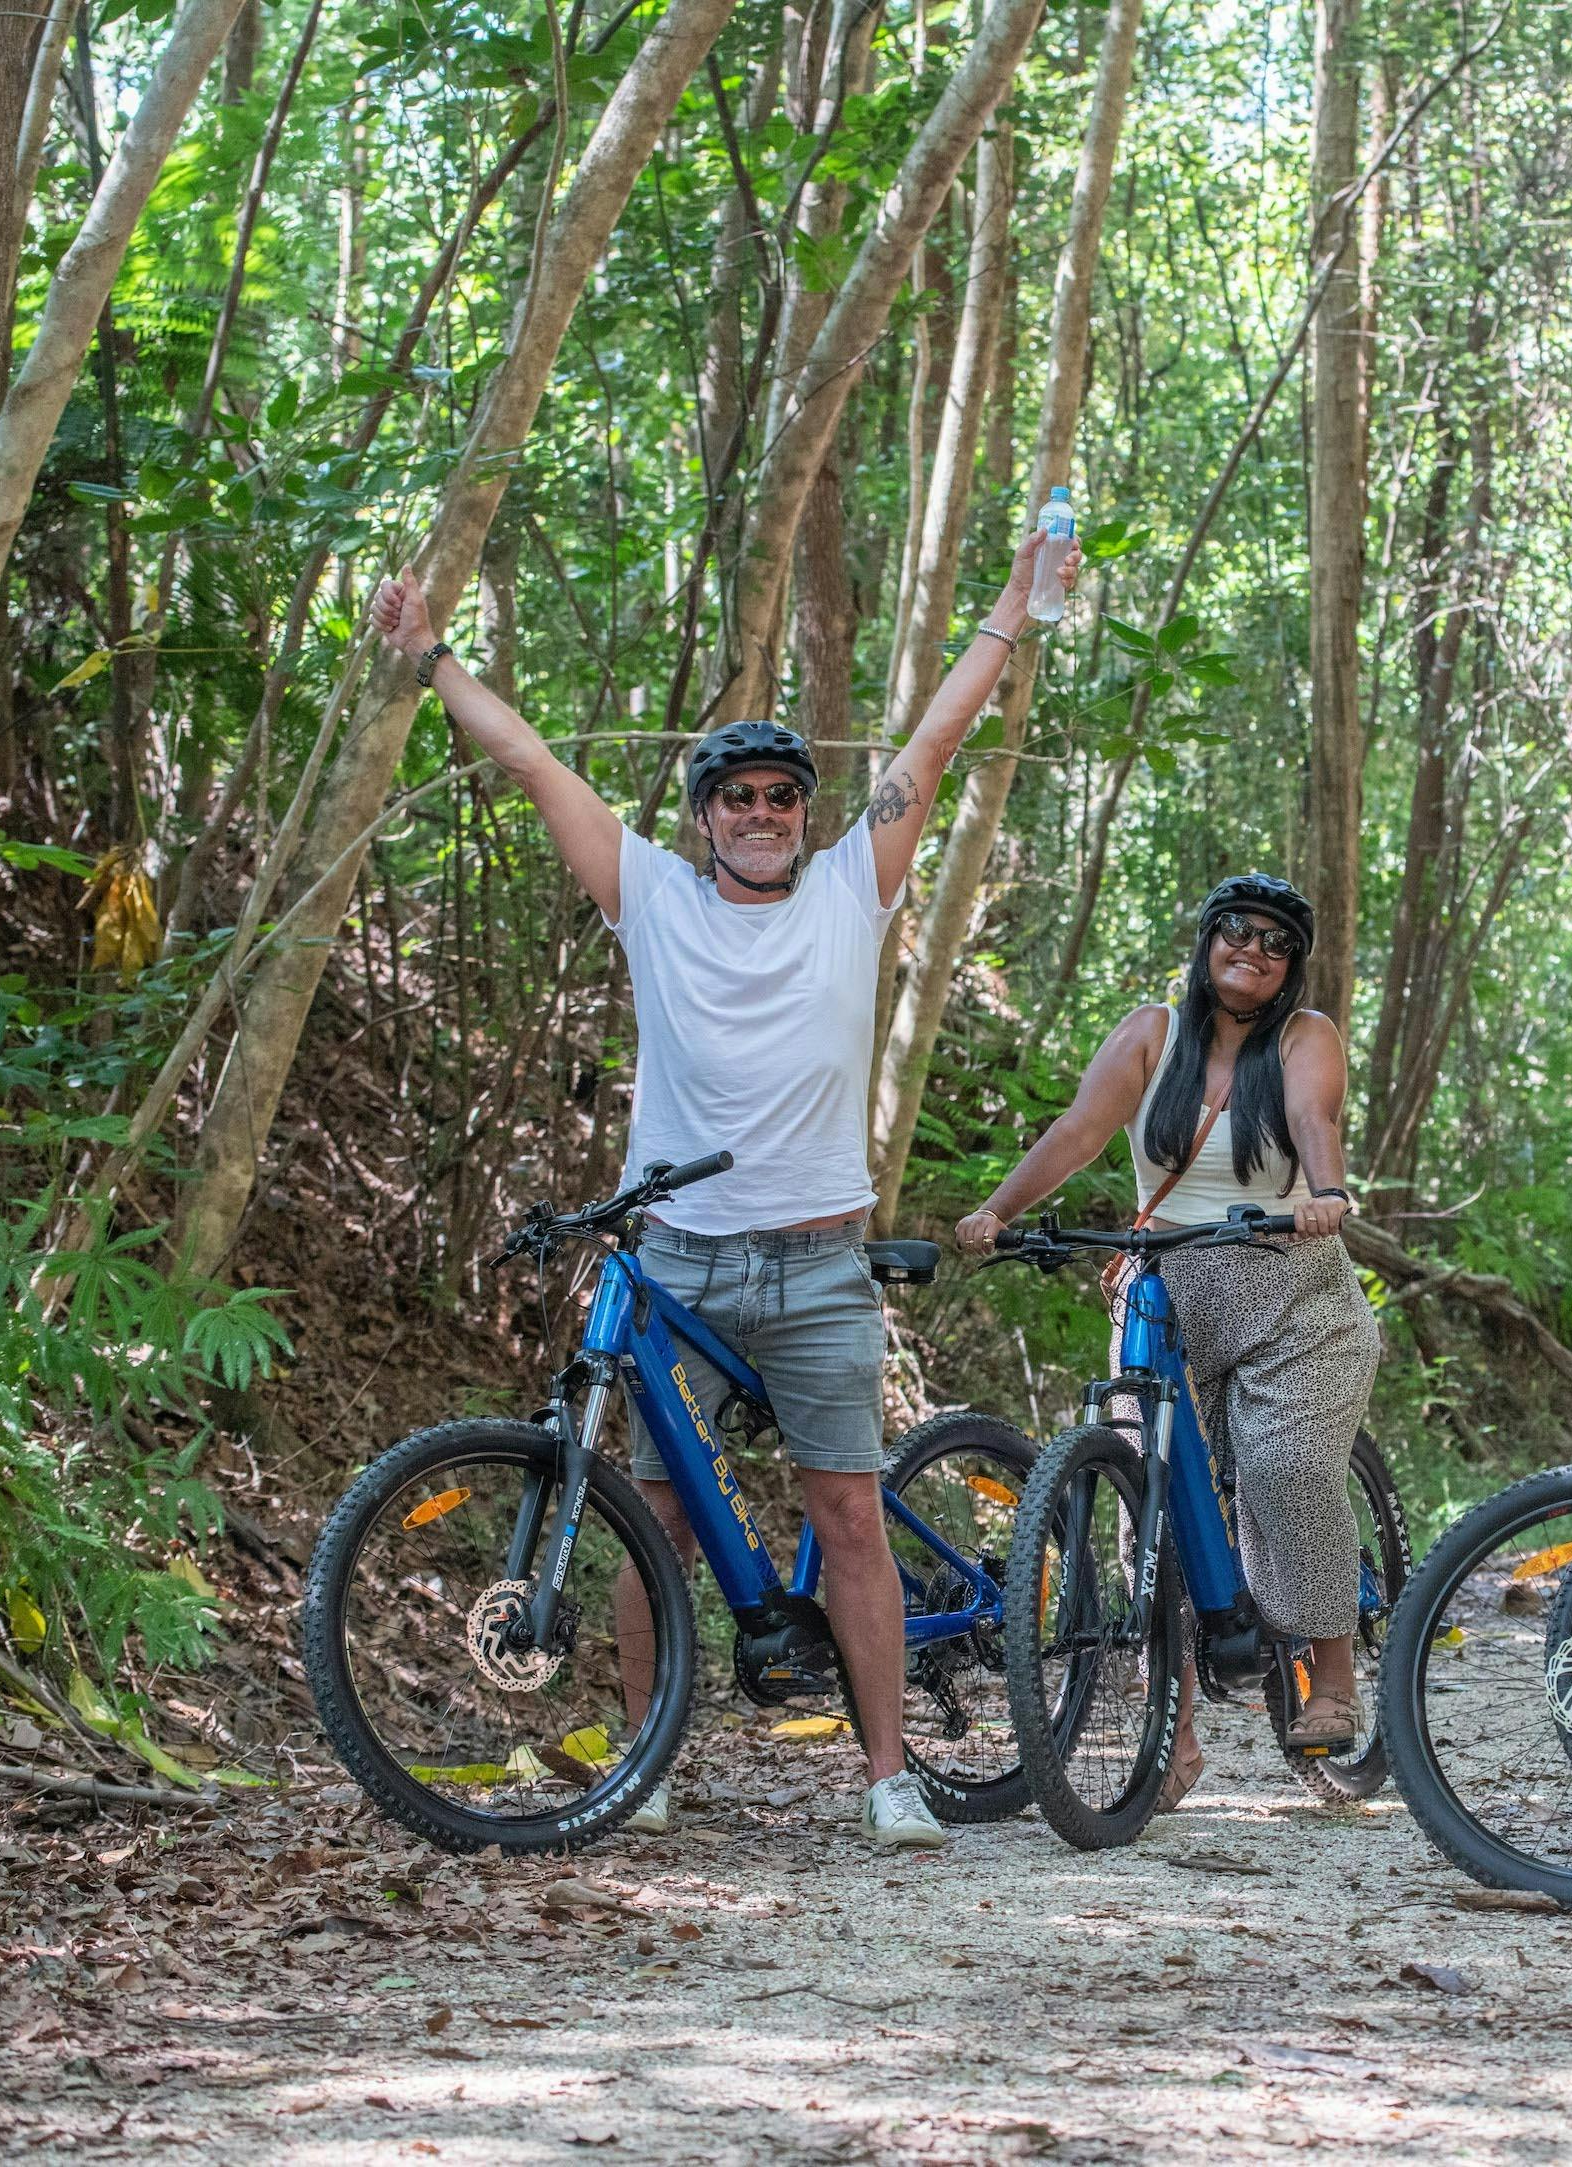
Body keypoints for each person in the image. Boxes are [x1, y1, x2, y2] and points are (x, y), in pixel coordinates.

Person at [365, 526, 1080, 1851]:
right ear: (702, 816)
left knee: (847, 1511)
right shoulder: (650, 893)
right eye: (737, 797)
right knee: (658, 1519)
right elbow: (531, 761)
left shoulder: (849, 891)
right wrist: (431, 658)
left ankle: (884, 1775)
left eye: (780, 797)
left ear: (806, 816)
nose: (761, 813)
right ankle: (650, 1762)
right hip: (680, 1257)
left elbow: (926, 745)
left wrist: (1015, 609)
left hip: (816, 1261)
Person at [955, 876, 1377, 1809]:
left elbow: (1316, 1122)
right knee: (1145, 1497)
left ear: (1291, 966)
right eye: (1236, 930)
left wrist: (1326, 1192)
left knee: (1284, 1468)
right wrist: (997, 1209)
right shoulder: (1153, 1031)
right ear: (1206, 938)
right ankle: (1173, 1734)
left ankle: (1336, 1672)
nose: (1253, 950)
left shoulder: (1307, 1038)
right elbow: (1077, 1130)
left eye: (1276, 942)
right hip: (1166, 1288)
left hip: (1288, 1293)